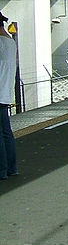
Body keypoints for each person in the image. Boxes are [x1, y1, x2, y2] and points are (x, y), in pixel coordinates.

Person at [0, 10, 18, 180]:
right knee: (6, 132)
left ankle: (1, 170)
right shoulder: (11, 42)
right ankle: (12, 168)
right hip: (5, 93)